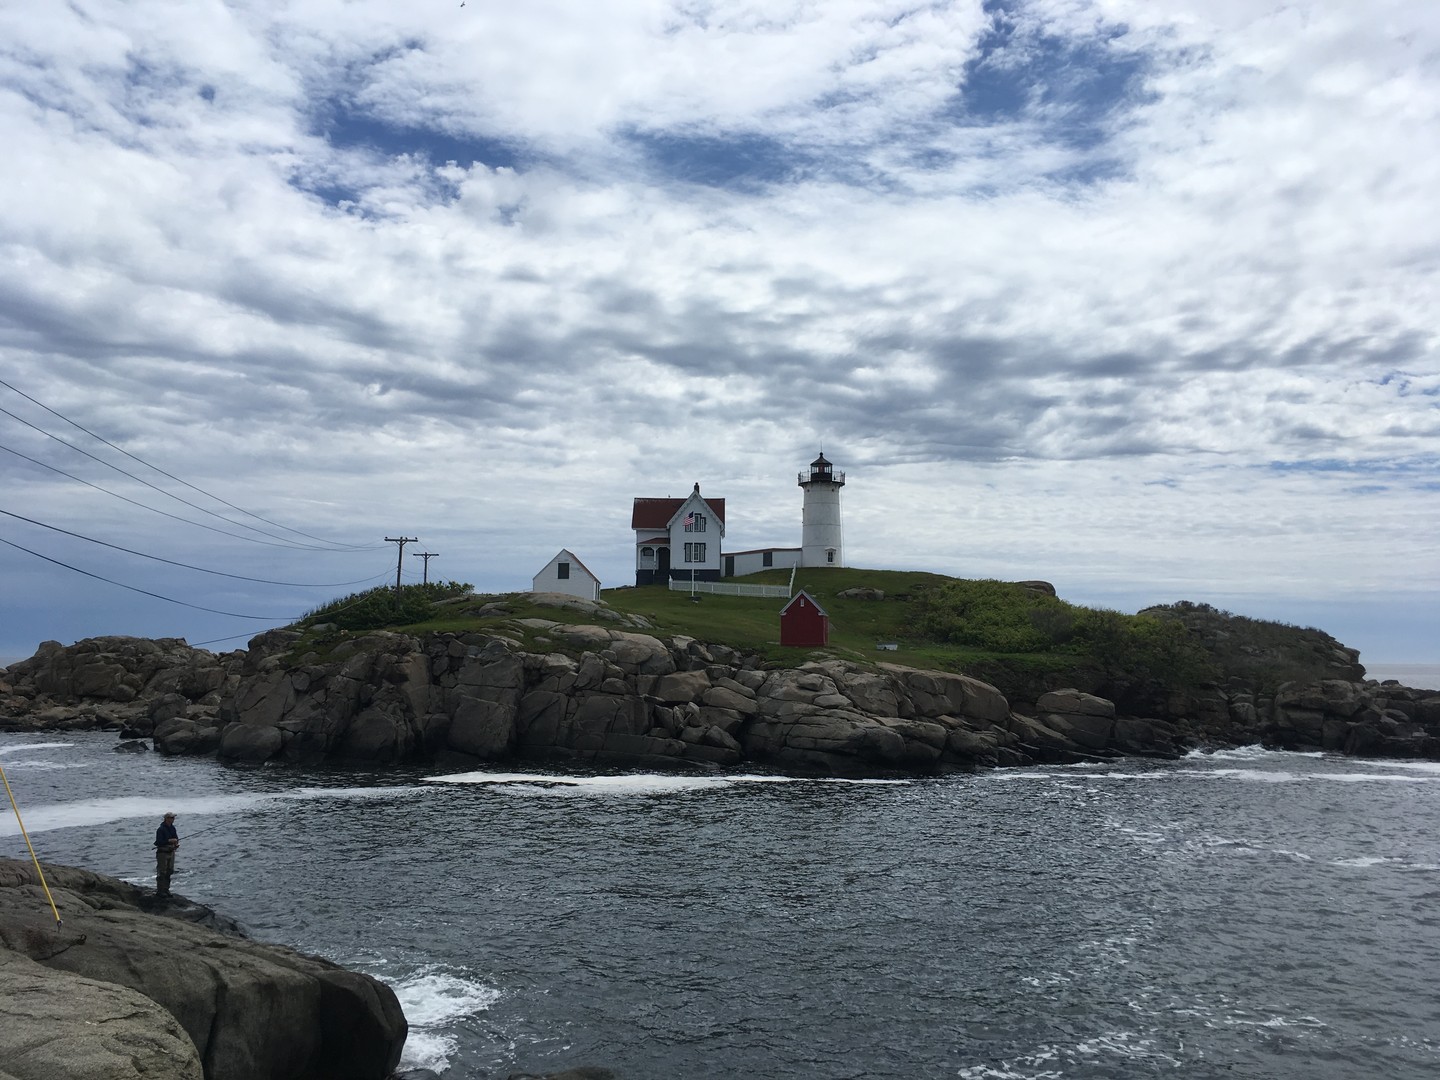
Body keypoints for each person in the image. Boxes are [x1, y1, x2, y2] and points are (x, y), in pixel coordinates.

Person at [154, 812, 179, 898]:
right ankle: (160, 891)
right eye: (171, 818)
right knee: (162, 872)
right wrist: (169, 841)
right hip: (162, 853)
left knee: (169, 871)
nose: (173, 819)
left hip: (171, 852)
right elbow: (158, 842)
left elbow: (176, 838)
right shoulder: (160, 829)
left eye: (173, 818)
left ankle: (166, 889)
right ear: (166, 818)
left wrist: (176, 844)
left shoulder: (172, 828)